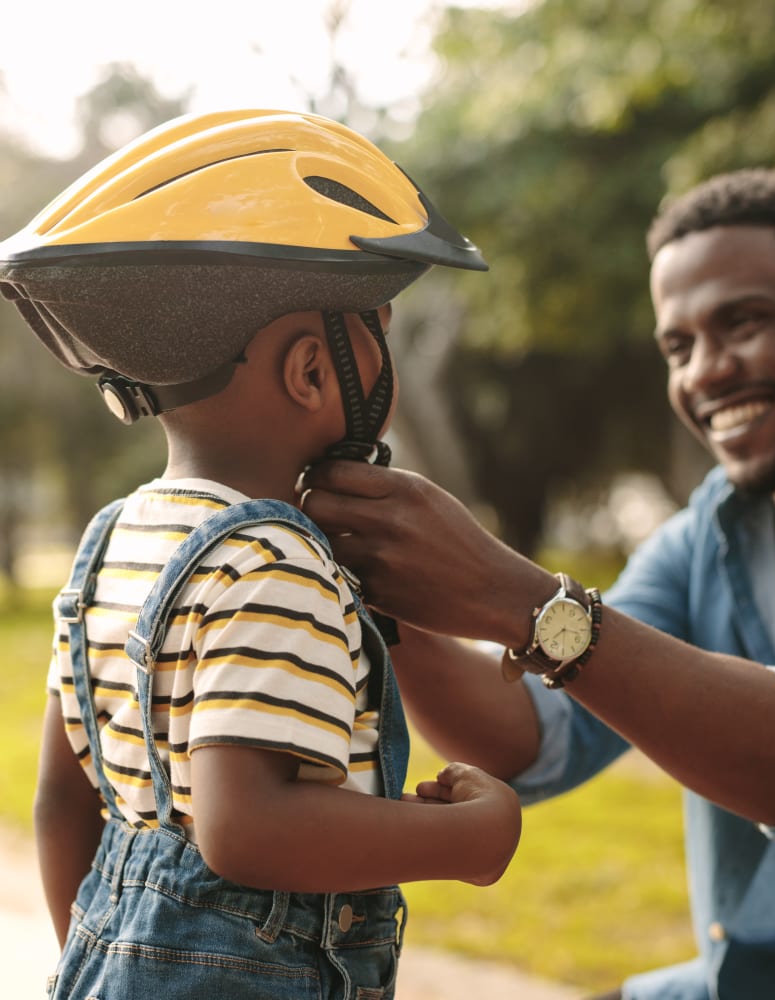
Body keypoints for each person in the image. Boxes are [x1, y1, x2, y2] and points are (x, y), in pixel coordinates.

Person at [296, 168, 775, 999]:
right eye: (679, 345)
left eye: (743, 322)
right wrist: (383, 581)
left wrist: (514, 597)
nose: (706, 371)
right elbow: (529, 737)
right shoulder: (713, 532)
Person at [0, 109, 521, 999]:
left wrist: (100, 963)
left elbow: (61, 801)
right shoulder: (275, 560)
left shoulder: (110, 542)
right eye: (379, 327)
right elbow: (248, 831)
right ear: (313, 372)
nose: (386, 351)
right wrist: (477, 838)